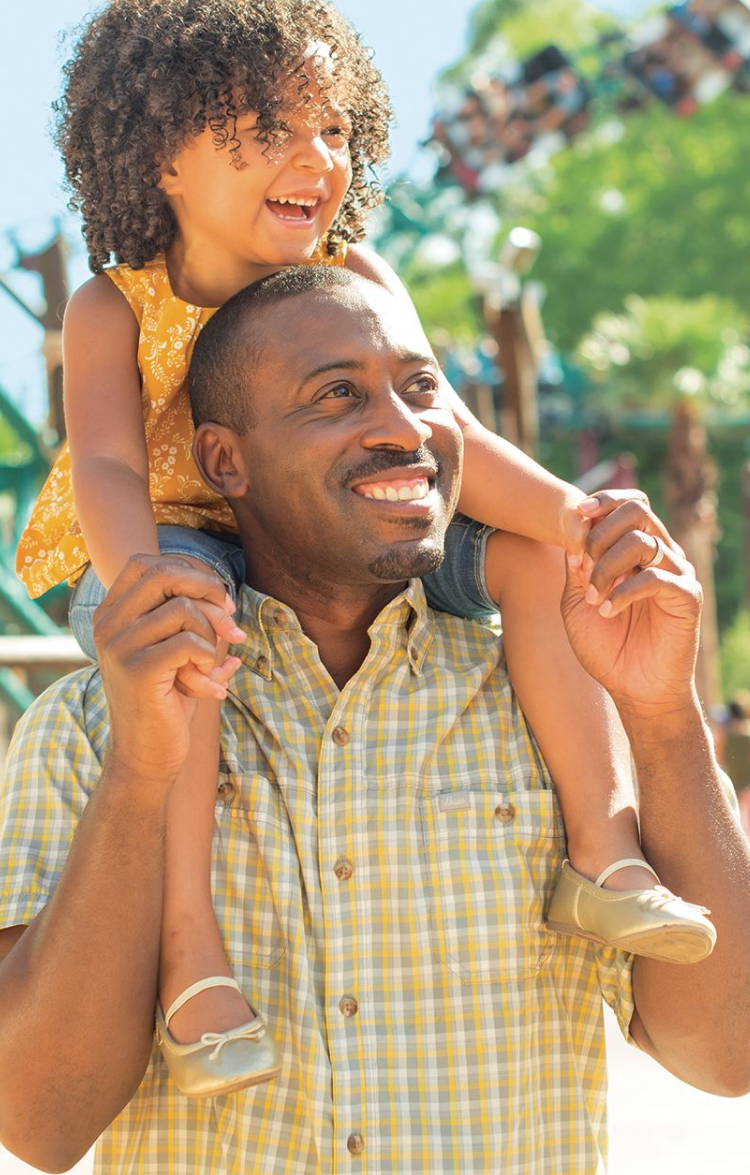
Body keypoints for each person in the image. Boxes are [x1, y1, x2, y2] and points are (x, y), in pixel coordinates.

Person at [15, 0, 710, 1093]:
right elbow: (102, 457)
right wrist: (141, 577)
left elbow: (452, 438)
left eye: (334, 128)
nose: (317, 154)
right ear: (163, 159)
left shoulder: (358, 275)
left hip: (354, 522)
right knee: (191, 655)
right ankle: (195, 957)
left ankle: (604, 842)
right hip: (182, 530)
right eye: (267, 128)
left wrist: (575, 519)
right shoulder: (119, 300)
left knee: (534, 554)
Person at [0, 266, 748, 1174]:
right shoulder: (84, 734)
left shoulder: (564, 710)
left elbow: (725, 1054)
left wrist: (663, 714)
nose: (406, 427)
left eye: (423, 386)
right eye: (338, 395)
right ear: (223, 460)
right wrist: (142, 777)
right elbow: (38, 1125)